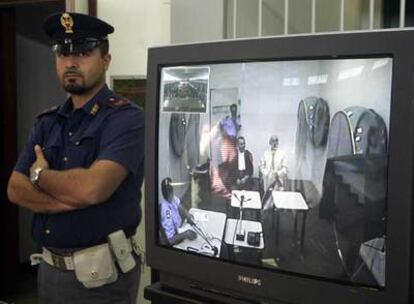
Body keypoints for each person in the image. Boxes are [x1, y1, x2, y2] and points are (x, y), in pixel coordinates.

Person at [7, 12, 144, 303]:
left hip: (102, 278)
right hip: (48, 269)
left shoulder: (126, 119)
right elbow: (15, 189)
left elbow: (93, 188)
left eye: (83, 52)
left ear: (105, 60)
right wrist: (71, 199)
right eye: (63, 53)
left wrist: (40, 176)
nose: (71, 62)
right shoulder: (47, 122)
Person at [160, 178, 197, 245]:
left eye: (170, 190)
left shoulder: (172, 197)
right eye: (168, 191)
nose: (169, 192)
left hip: (180, 227)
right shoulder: (166, 212)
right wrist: (186, 234)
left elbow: (179, 206)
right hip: (175, 237)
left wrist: (187, 216)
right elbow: (170, 240)